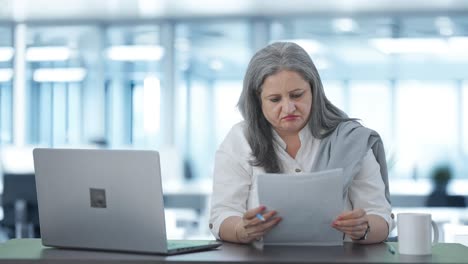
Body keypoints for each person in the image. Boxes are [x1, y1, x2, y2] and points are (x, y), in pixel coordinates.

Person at [209, 42, 394, 244]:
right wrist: (240, 229)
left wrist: (363, 227)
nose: (288, 108)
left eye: (297, 95)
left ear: (314, 90)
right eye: (274, 99)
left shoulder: (351, 139)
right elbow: (222, 214)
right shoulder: (240, 139)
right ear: (257, 99)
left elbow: (380, 216)